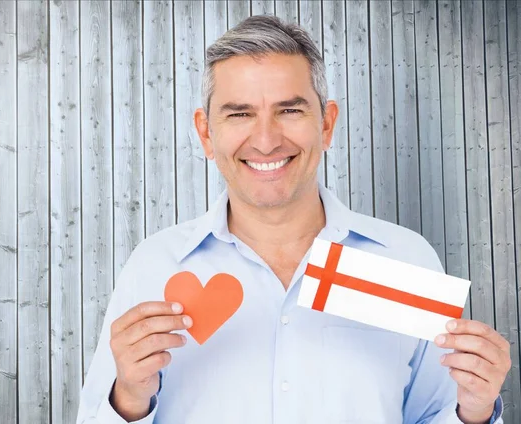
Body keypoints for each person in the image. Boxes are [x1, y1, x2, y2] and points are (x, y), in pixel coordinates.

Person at [76, 15, 511, 424]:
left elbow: (434, 412)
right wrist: (129, 398)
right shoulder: (155, 266)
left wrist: (475, 409)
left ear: (326, 124)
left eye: (289, 110)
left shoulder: (405, 260)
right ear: (207, 133)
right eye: (240, 113)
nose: (265, 140)